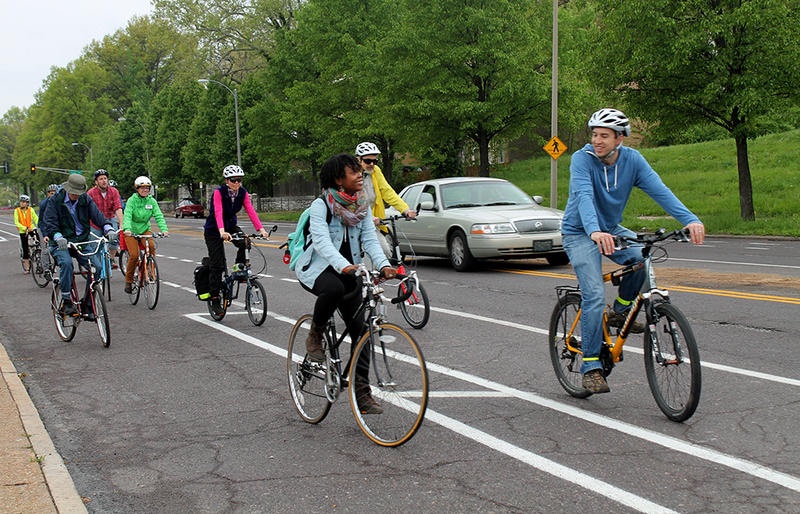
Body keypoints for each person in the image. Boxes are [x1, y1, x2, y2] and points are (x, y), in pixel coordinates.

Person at [561, 108, 705, 394]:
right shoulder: (581, 160)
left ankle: (619, 312)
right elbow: (584, 197)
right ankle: (590, 367)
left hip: (611, 228)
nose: (597, 141)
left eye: (604, 136)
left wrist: (690, 219)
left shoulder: (633, 161)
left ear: (619, 139)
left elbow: (660, 190)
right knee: (593, 295)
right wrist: (594, 231)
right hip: (579, 232)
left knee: (643, 259)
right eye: (594, 134)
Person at [294, 153, 398, 415]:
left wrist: (383, 264)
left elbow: (370, 240)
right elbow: (321, 241)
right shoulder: (321, 206)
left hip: (350, 269)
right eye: (354, 173)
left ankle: (362, 392)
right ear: (339, 180)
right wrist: (343, 265)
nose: (360, 176)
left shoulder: (361, 206)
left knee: (362, 332)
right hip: (319, 268)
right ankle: (315, 334)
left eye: (360, 172)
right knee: (334, 288)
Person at [41, 174, 118, 317]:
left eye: (79, 193)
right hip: (61, 242)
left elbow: (98, 216)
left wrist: (109, 228)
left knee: (97, 267)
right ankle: (66, 301)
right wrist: (57, 236)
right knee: (67, 264)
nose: (76, 195)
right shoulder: (55, 201)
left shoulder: (85, 199)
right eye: (74, 192)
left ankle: (88, 303)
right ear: (68, 189)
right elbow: (49, 223)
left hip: (81, 241)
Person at [203, 165, 269, 313]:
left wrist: (261, 229)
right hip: (214, 229)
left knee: (245, 242)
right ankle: (214, 298)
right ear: (227, 180)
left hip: (231, 226)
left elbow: (251, 211)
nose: (237, 183)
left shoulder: (243, 193)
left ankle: (237, 268)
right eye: (234, 180)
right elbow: (218, 212)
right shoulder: (218, 193)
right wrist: (221, 231)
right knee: (217, 265)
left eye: (240, 180)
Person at [354, 142, 416, 257]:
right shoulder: (351, 175)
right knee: (360, 257)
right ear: (358, 160)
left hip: (373, 223)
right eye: (368, 161)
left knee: (385, 252)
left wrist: (405, 210)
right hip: (354, 223)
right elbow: (351, 201)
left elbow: (387, 192)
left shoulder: (375, 171)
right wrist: (368, 217)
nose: (372, 164)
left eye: (375, 161)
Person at [122, 176, 169, 293]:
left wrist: (164, 229)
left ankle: (150, 270)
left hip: (144, 229)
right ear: (137, 189)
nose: (145, 190)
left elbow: (158, 215)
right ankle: (128, 281)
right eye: (142, 188)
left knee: (152, 246)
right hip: (131, 230)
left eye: (147, 188)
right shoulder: (132, 200)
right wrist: (127, 229)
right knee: (134, 255)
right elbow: (127, 215)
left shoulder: (152, 201)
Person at [87, 169, 124, 266]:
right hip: (95, 222)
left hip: (109, 219)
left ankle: (111, 259)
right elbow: (86, 211)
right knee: (95, 245)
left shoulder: (114, 191)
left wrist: (121, 223)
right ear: (96, 182)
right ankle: (97, 266)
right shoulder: (90, 193)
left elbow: (118, 208)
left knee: (114, 239)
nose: (104, 181)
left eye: (105, 178)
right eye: (100, 179)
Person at [37, 184, 59, 273]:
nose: (53, 195)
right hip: (44, 227)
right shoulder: (44, 204)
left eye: (55, 193)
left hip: (54, 228)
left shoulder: (59, 203)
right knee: (45, 249)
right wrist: (44, 234)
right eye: (51, 193)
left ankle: (57, 263)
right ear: (48, 194)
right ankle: (46, 269)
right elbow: (41, 221)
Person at [14, 194, 38, 273]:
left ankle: (39, 259)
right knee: (25, 249)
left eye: (24, 202)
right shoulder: (17, 211)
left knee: (38, 243)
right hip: (23, 231)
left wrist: (40, 225)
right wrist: (25, 228)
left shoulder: (31, 210)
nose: (22, 203)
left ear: (27, 203)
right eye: (21, 202)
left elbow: (35, 218)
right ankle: (27, 268)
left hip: (31, 229)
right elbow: (17, 222)